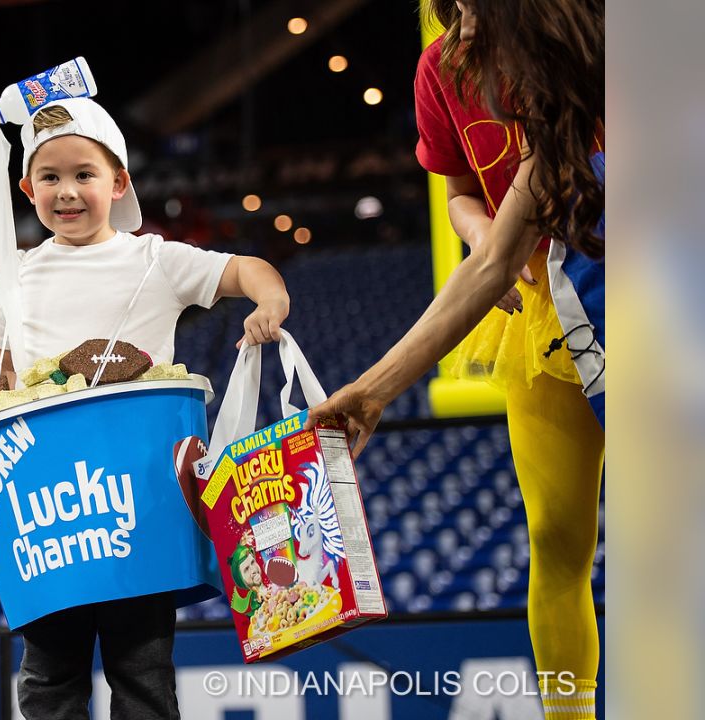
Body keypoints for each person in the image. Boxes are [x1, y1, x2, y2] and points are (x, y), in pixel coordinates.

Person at [0, 96, 292, 719]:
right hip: (49, 510)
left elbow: (250, 269)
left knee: (142, 671)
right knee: (48, 676)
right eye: (50, 178)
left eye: (84, 175)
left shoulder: (155, 259)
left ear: (118, 182)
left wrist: (270, 302)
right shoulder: (19, 275)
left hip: (138, 504)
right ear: (27, 188)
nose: (66, 192)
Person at [308, 1, 604, 718]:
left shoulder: (597, 59)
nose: (462, 27)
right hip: (559, 302)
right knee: (554, 535)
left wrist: (373, 390)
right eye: (455, 7)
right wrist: (481, 238)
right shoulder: (449, 66)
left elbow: (499, 258)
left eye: (478, 8)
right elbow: (493, 247)